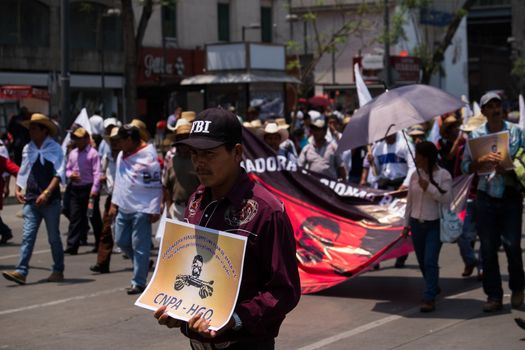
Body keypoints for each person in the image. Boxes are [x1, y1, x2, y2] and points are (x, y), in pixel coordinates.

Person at [153, 107, 301, 349]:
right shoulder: (196, 200)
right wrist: (175, 309)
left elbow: (284, 291)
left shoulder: (266, 211)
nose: (199, 163)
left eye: (209, 154)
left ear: (237, 152)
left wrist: (235, 320)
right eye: (194, 153)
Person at [462, 91, 525, 312]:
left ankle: (518, 287)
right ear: (484, 111)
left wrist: (510, 165)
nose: (496, 108)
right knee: (488, 249)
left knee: (512, 246)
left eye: (498, 104)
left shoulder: (516, 132)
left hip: (510, 196)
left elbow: (524, 159)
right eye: (491, 105)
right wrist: (481, 161)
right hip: (485, 197)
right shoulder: (476, 135)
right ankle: (494, 296)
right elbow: (465, 167)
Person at [2, 113, 65, 285]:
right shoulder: (27, 148)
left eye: (35, 128)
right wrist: (18, 187)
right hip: (31, 199)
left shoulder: (55, 148)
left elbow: (59, 174)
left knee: (53, 237)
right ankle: (21, 271)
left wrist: (46, 193)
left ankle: (58, 270)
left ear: (44, 131)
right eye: (30, 128)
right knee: (27, 236)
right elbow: (24, 170)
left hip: (50, 201)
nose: (30, 131)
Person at [111, 124, 162, 294]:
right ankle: (142, 263)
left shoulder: (148, 158)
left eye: (121, 140)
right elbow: (119, 179)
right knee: (121, 240)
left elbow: (155, 185)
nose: (119, 144)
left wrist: (155, 208)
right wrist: (114, 202)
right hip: (124, 205)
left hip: (142, 207)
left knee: (140, 245)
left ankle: (138, 282)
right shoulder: (121, 155)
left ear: (131, 140)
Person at [403, 141, 452, 312]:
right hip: (416, 224)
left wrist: (429, 187)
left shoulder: (443, 175)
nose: (415, 158)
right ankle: (433, 284)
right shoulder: (414, 176)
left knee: (430, 260)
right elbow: (409, 202)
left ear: (425, 157)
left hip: (434, 224)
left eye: (417, 155)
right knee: (422, 262)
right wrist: (405, 224)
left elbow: (446, 199)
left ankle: (429, 296)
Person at [90, 127, 121, 274]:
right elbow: (101, 172)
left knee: (129, 233)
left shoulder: (126, 156)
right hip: (111, 196)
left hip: (126, 197)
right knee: (106, 230)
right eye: (112, 141)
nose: (114, 143)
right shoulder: (107, 156)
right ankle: (102, 262)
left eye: (117, 140)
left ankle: (142, 261)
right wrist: (101, 181)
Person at [162, 118, 200, 220]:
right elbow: (166, 187)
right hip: (177, 209)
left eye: (186, 138)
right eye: (180, 139)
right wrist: (169, 207)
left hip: (196, 209)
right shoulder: (172, 161)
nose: (184, 144)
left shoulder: (199, 161)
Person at [297, 114, 346, 180]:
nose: (315, 132)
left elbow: (341, 168)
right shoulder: (307, 149)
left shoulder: (333, 147)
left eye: (318, 129)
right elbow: (299, 168)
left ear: (324, 132)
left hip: (329, 187)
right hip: (313, 186)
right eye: (314, 129)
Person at [0, 144, 19, 244]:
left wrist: (18, 187)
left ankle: (6, 232)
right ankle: (6, 232)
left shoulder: (2, 160)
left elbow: (18, 171)